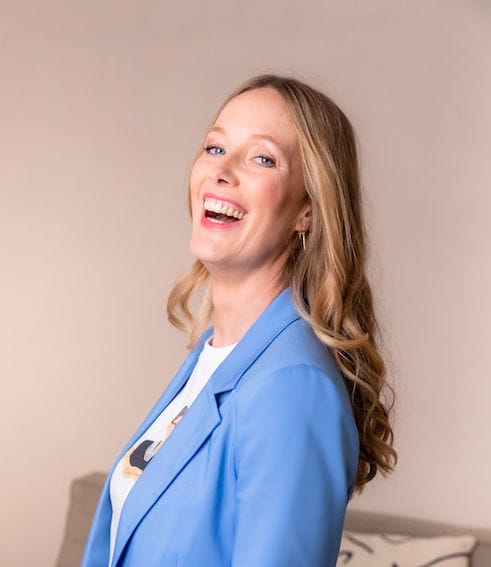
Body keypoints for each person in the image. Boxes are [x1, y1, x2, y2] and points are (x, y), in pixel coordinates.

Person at [82, 73, 397, 567]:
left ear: (308, 211)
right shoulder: (214, 355)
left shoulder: (292, 386)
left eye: (262, 158)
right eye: (215, 148)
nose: (221, 171)